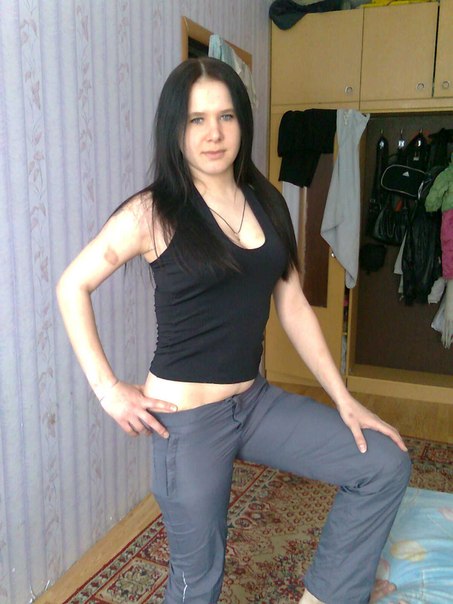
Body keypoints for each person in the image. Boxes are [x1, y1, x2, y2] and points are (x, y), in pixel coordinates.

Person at [56, 57, 411, 604]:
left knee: (384, 464)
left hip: (256, 403)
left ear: (242, 122)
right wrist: (108, 390)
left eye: (225, 116)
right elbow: (72, 286)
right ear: (175, 129)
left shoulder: (267, 201)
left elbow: (293, 304)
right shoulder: (154, 212)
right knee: (198, 583)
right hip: (187, 422)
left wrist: (344, 399)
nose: (213, 133)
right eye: (196, 120)